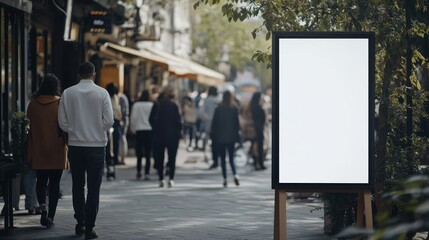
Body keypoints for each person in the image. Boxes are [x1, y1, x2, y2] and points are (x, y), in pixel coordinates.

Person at [58, 62, 114, 239]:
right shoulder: (102, 93)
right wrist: (98, 128)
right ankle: (89, 227)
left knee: (78, 185)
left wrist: (73, 130)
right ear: (94, 75)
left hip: (75, 145)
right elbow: (109, 121)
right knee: (94, 188)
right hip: (96, 146)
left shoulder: (68, 93)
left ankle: (80, 222)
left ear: (78, 75)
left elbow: (62, 122)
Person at [27, 73, 68, 227]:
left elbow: (28, 124)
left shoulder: (33, 104)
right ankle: (51, 215)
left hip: (39, 147)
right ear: (56, 87)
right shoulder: (60, 103)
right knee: (55, 183)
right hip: (57, 148)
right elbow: (65, 125)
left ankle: (43, 206)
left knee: (41, 180)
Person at [150, 87, 182, 188]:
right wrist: (178, 133)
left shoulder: (157, 105)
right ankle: (171, 179)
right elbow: (178, 122)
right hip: (172, 136)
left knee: (160, 158)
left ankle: (161, 179)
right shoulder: (174, 106)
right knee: (172, 158)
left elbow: (150, 119)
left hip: (159, 135)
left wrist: (155, 129)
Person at [211, 91, 240, 187]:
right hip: (231, 137)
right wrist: (237, 137)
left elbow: (214, 124)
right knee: (231, 158)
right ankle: (235, 174)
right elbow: (237, 125)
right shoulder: (234, 108)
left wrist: (213, 136)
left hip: (220, 137)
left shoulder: (218, 108)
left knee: (223, 159)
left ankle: (225, 179)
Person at [130, 90, 154, 180]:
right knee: (148, 153)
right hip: (149, 130)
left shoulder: (136, 105)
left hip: (139, 130)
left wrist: (133, 129)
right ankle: (147, 173)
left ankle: (139, 171)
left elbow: (133, 118)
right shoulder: (151, 105)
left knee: (139, 153)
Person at [105, 83, 122, 180]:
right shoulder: (118, 99)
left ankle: (109, 168)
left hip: (108, 125)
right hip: (116, 124)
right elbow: (120, 114)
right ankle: (112, 168)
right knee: (115, 147)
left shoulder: (104, 97)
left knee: (108, 148)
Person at [200, 86, 220, 169]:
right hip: (219, 124)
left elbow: (201, 112)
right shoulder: (219, 101)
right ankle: (218, 159)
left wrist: (207, 118)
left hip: (209, 124)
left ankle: (215, 160)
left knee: (213, 143)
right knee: (218, 142)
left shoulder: (206, 100)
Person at [249, 92, 267, 170]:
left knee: (253, 146)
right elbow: (263, 120)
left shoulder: (251, 108)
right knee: (259, 147)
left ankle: (255, 162)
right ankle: (260, 163)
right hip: (258, 130)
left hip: (251, 130)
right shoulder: (259, 109)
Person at [118, 90, 129, 164]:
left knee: (122, 139)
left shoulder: (121, 98)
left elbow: (124, 112)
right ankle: (122, 157)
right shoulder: (122, 97)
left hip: (122, 121)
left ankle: (123, 157)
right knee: (122, 139)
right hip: (122, 120)